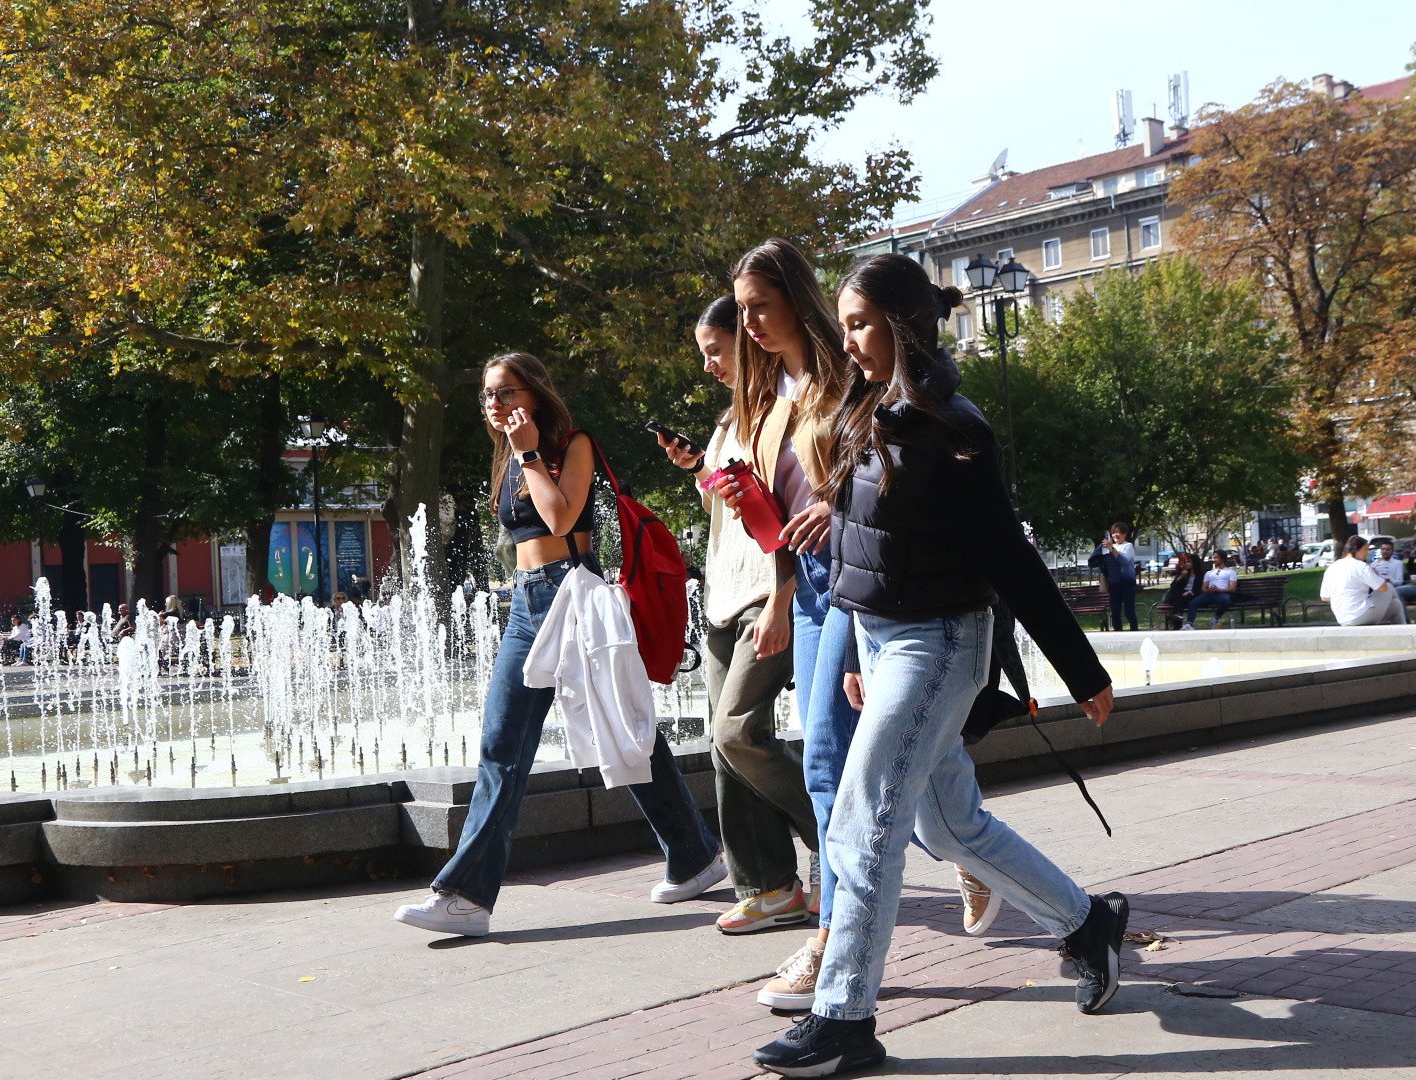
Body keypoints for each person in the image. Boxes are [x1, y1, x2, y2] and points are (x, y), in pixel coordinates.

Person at [752, 255, 1128, 1077]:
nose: (845, 341)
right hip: (885, 645)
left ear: (902, 323)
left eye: (857, 324)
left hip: (940, 644)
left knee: (863, 818)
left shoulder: (955, 427)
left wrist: (1082, 670)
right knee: (945, 825)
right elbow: (859, 548)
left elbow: (1010, 559)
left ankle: (845, 1018)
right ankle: (1086, 923)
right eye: (846, 325)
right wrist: (855, 648)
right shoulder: (864, 409)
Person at [394, 351, 724, 937]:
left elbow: (561, 517)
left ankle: (693, 855)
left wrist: (527, 453)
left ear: (536, 393)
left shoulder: (574, 443)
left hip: (571, 596)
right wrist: (516, 454)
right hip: (527, 600)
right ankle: (693, 855)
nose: (495, 405)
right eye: (488, 396)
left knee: (618, 727)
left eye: (506, 393)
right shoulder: (508, 457)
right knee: (504, 742)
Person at [656, 296, 820, 935]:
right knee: (726, 752)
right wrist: (699, 466)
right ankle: (771, 886)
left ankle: (840, 839)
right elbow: (738, 510)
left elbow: (784, 516)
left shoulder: (781, 414)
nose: (708, 365)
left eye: (715, 350)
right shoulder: (732, 420)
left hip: (764, 598)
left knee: (736, 733)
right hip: (724, 598)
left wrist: (782, 600)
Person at [1320, 536, 1405, 626]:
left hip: (1342, 618)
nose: (1367, 554)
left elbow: (1325, 597)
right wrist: (1375, 574)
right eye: (1365, 550)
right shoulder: (1361, 566)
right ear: (1357, 550)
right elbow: (1383, 588)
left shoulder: (1332, 567)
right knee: (1389, 586)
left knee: (1396, 605)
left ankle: (1405, 632)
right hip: (1360, 614)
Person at [1090, 523, 1139, 631]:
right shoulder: (1108, 547)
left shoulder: (1128, 546)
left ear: (1124, 533)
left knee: (1129, 611)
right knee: (1115, 611)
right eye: (1113, 533)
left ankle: (1135, 631)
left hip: (1127, 583)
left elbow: (1124, 561)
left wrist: (1111, 548)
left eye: (1118, 532)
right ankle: (1118, 632)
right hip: (1114, 583)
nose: (1115, 535)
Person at [1180, 549, 1239, 630]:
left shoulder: (1230, 572)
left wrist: (1219, 590)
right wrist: (1209, 590)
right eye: (1213, 558)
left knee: (1226, 600)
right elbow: (1203, 588)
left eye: (1216, 558)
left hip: (1222, 593)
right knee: (1193, 603)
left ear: (1222, 558)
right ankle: (1189, 624)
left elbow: (1232, 588)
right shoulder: (1209, 573)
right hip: (1209, 594)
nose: (1214, 560)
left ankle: (1215, 618)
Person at [1159, 552, 1203, 630]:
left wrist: (1190, 592)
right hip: (1182, 595)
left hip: (1193, 595)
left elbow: (1199, 589)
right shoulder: (1184, 573)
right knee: (1177, 593)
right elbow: (1173, 586)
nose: (1187, 563)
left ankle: (1177, 619)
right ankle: (1177, 618)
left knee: (1178, 597)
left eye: (1189, 562)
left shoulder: (1200, 575)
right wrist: (1181, 576)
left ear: (1194, 563)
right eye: (1186, 562)